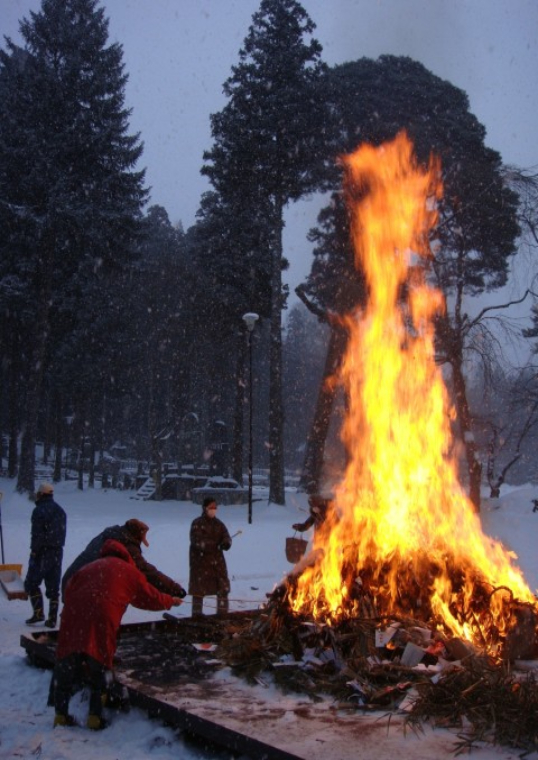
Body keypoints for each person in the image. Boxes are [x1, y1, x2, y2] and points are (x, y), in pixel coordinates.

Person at [52, 538, 183, 730]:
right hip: (102, 617)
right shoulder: (128, 571)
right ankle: (95, 717)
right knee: (101, 660)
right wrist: (170, 601)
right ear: (125, 555)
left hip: (72, 615)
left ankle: (60, 715)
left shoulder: (89, 567)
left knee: (67, 661)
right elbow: (150, 597)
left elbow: (70, 587)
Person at [61, 518, 186, 600]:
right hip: (88, 591)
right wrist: (173, 589)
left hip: (71, 583)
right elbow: (145, 571)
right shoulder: (125, 544)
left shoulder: (109, 535)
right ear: (135, 536)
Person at [24, 482, 67, 627]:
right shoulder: (60, 510)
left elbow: (37, 534)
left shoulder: (39, 511)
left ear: (41, 494)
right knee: (53, 585)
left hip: (42, 551)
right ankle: (52, 618)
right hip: (57, 552)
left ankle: (38, 613)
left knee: (31, 583)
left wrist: (35, 551)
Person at [188, 497, 232, 616]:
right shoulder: (197, 523)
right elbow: (197, 541)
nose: (213, 510)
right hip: (201, 563)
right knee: (198, 590)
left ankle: (222, 614)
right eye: (211, 507)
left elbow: (226, 535)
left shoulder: (219, 524)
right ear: (205, 508)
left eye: (215, 507)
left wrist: (226, 542)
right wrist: (213, 545)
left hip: (217, 563)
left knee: (222, 588)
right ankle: (196, 615)